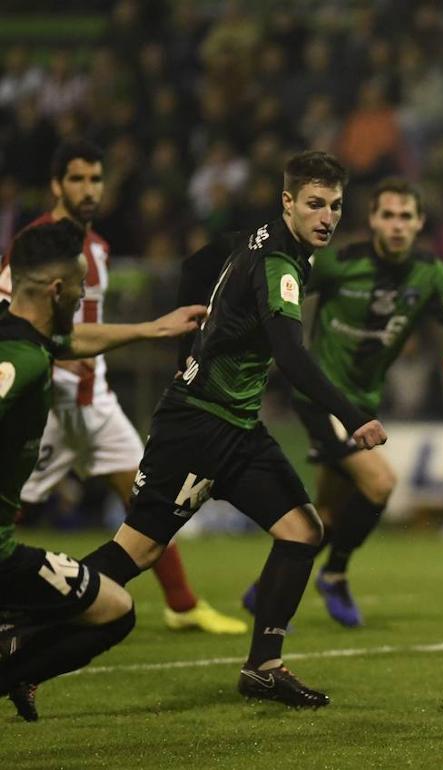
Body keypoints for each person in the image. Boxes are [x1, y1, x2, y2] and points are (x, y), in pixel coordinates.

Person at [78, 151, 388, 708]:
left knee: (301, 530)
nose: (327, 217)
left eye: (336, 206)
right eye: (315, 204)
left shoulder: (264, 237)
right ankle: (29, 623)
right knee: (137, 553)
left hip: (238, 426)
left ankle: (263, 667)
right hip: (197, 425)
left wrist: (187, 348)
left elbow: (197, 263)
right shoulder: (280, 263)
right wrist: (354, 412)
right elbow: (291, 357)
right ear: (288, 201)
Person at [0, 140, 245, 635]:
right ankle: (17, 602)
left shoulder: (100, 248)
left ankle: (181, 602)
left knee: (149, 495)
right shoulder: (37, 246)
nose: (88, 190)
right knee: (13, 502)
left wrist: (151, 329)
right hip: (46, 397)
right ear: (55, 185)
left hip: (96, 400)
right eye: (77, 179)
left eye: (95, 179)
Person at [240, 177, 443, 627]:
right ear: (372, 220)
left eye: (406, 216)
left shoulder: (430, 273)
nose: (397, 225)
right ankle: (336, 573)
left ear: (420, 222)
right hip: (320, 397)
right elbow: (280, 293)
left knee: (325, 514)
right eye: (388, 215)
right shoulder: (338, 262)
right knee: (380, 484)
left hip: (364, 403)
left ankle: (267, 589)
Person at [1, 220, 205, 721]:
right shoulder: (21, 361)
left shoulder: (27, 338)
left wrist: (153, 328)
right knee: (114, 609)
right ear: (56, 290)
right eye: (78, 284)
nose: (83, 292)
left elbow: (74, 340)